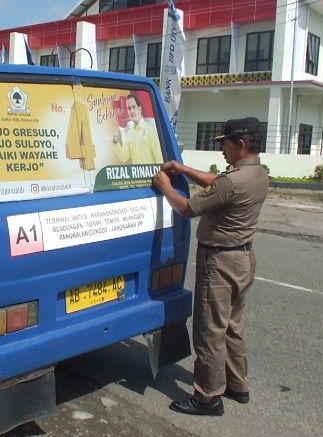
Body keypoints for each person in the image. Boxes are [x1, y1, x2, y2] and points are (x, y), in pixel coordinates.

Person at [152, 117, 269, 416]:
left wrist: (165, 185)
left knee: (209, 331)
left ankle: (207, 397)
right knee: (232, 325)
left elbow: (188, 208)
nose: (222, 151)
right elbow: (217, 184)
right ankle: (237, 385)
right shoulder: (258, 174)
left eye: (226, 144)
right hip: (243, 260)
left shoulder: (232, 182)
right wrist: (184, 169)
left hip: (220, 263)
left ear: (241, 145)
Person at [112, 93, 161, 165]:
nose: (131, 111)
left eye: (133, 107)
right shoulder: (130, 133)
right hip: (137, 176)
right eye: (129, 108)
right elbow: (124, 157)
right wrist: (115, 141)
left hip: (152, 176)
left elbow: (159, 159)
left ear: (140, 109)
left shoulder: (150, 130)